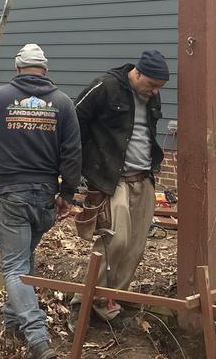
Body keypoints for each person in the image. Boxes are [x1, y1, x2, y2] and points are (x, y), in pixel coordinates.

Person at [0, 43, 81, 359]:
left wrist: (9, 151)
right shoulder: (62, 103)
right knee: (24, 258)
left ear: (18, 68)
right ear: (45, 71)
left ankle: (38, 339)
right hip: (46, 197)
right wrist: (68, 194)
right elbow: (73, 153)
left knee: (14, 264)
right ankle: (12, 320)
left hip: (12, 194)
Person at [71, 49, 169, 327]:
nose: (154, 92)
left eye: (159, 87)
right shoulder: (105, 87)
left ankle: (110, 301)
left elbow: (145, 133)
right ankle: (85, 302)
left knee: (135, 246)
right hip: (112, 179)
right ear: (137, 73)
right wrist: (80, 167)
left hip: (143, 177)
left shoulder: (152, 95)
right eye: (151, 85)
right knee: (116, 240)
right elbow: (75, 121)